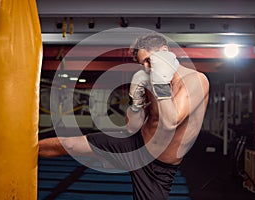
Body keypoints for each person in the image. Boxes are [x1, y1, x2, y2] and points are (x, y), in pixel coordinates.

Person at [39, 33, 210, 200]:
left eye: (149, 60)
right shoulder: (149, 79)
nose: (146, 68)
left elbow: (171, 122)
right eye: (142, 63)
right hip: (135, 145)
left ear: (165, 51)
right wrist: (135, 102)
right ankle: (20, 152)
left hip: (159, 167)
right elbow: (132, 127)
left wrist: (160, 84)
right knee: (69, 143)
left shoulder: (195, 80)